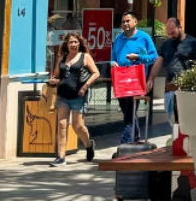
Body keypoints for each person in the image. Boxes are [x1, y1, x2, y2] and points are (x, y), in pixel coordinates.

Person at [48, 32, 100, 167]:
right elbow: (57, 75)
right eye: (71, 42)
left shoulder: (85, 57)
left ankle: (88, 145)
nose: (73, 44)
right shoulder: (61, 58)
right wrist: (53, 80)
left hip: (78, 96)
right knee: (62, 125)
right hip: (62, 96)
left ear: (79, 44)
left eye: (76, 42)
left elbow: (96, 73)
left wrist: (85, 86)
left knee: (78, 127)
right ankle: (61, 157)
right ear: (66, 44)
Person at [112, 11, 158, 143]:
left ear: (135, 22)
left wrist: (138, 57)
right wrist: (112, 63)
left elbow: (154, 57)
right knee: (127, 111)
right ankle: (136, 138)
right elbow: (113, 57)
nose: (125, 23)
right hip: (121, 80)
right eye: (123, 21)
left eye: (128, 21)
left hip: (136, 80)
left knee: (130, 112)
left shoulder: (144, 38)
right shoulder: (119, 39)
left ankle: (126, 141)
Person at [147, 17, 196, 125]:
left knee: (185, 120)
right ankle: (175, 138)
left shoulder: (192, 43)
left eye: (173, 33)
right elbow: (158, 63)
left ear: (180, 27)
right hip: (170, 87)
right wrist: (151, 78)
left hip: (186, 88)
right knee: (173, 120)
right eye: (168, 34)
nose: (171, 36)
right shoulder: (166, 45)